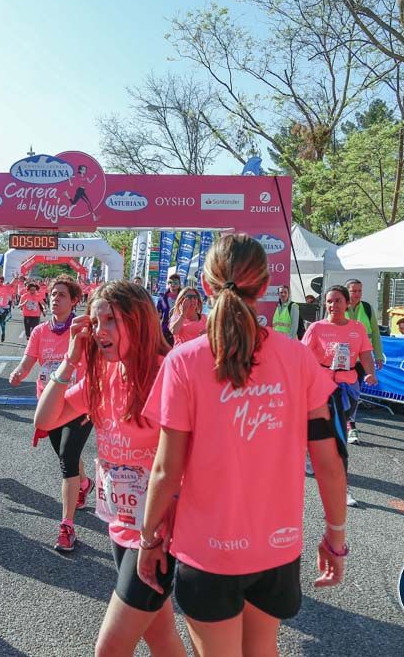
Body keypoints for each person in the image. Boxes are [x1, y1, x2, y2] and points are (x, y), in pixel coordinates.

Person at [137, 235, 347, 657]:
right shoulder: (298, 357)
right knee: (263, 649)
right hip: (277, 549)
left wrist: (148, 538)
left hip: (207, 551)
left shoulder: (185, 360)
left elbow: (165, 469)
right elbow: (329, 460)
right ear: (265, 283)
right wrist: (335, 536)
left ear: (208, 285)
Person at [35, 280, 184, 656]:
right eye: (96, 321)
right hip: (119, 523)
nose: (100, 331)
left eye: (111, 321)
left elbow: (192, 456)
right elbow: (46, 417)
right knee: (161, 636)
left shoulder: (167, 374)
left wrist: (163, 527)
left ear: (139, 322)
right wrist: (70, 359)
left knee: (111, 648)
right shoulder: (101, 375)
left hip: (157, 533)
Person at [10, 276, 94, 552]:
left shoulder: (83, 329)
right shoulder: (40, 332)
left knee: (67, 458)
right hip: (50, 405)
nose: (56, 298)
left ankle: (67, 526)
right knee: (64, 453)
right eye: (54, 294)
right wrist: (19, 373)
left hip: (78, 404)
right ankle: (84, 483)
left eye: (62, 295)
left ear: (74, 301)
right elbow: (29, 360)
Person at [302, 285, 377, 507]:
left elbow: (365, 354)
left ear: (347, 303)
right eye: (329, 301)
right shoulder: (316, 328)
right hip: (321, 384)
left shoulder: (358, 328)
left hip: (348, 386)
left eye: (337, 301)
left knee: (338, 435)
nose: (333, 305)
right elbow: (302, 356)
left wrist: (370, 372)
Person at [344, 279, 384, 444]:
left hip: (361, 360)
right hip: (343, 360)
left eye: (359, 290)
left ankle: (350, 426)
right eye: (354, 291)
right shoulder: (340, 306)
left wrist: (378, 355)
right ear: (347, 292)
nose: (357, 294)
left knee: (354, 394)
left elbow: (374, 332)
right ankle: (345, 424)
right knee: (341, 392)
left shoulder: (367, 308)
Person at [156, 274, 182, 346]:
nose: (173, 284)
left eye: (175, 282)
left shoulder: (184, 297)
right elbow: (158, 313)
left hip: (180, 330)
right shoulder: (162, 298)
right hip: (165, 329)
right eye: (170, 282)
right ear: (168, 284)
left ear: (179, 284)